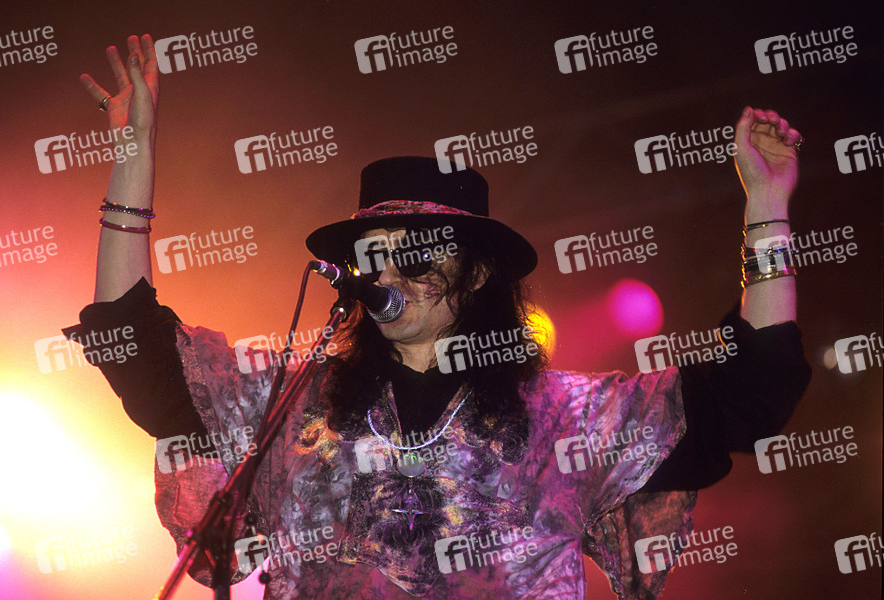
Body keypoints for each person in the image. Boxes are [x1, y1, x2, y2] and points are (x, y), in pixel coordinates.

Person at [65, 35, 811, 599]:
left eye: (416, 254)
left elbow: (751, 388)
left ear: (477, 274)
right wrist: (132, 156)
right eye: (374, 255)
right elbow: (134, 345)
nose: (388, 272)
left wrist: (768, 208)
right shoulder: (289, 404)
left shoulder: (566, 420)